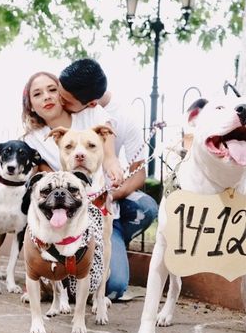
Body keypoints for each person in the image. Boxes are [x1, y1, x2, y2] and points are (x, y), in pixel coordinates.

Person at [58, 58, 158, 300]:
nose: (59, 101)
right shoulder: (65, 106)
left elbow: (139, 174)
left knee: (113, 287)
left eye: (66, 100)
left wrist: (110, 194)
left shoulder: (123, 118)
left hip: (103, 207)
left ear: (91, 103)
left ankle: (113, 238)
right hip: (68, 206)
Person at [21, 71, 123, 183]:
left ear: (62, 94)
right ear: (30, 106)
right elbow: (44, 173)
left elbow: (109, 155)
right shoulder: (32, 139)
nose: (47, 97)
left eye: (52, 90)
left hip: (115, 188)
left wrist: (112, 163)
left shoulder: (92, 114)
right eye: (37, 94)